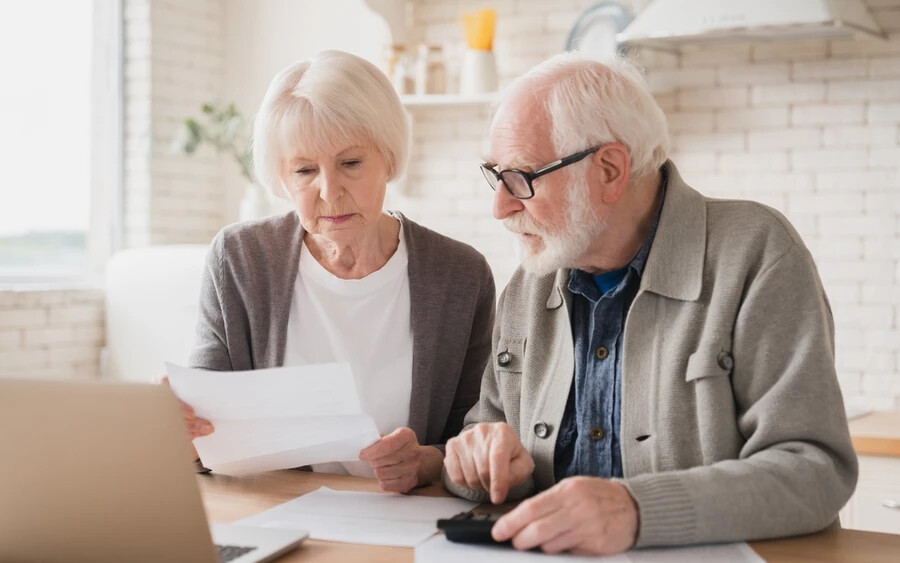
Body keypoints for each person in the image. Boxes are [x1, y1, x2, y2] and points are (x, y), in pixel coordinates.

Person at [443, 51, 858, 554]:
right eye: (496, 175)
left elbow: (815, 471)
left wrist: (637, 510)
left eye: (522, 178)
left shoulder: (756, 253)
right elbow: (484, 434)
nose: (500, 206)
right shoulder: (529, 283)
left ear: (611, 169)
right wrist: (478, 462)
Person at [175, 50, 495, 494]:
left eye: (351, 163)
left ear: (388, 157)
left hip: (403, 516)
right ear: (283, 179)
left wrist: (426, 462)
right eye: (305, 170)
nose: (330, 191)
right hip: (273, 513)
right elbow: (204, 433)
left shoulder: (460, 275)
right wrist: (179, 428)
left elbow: (478, 433)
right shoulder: (240, 259)